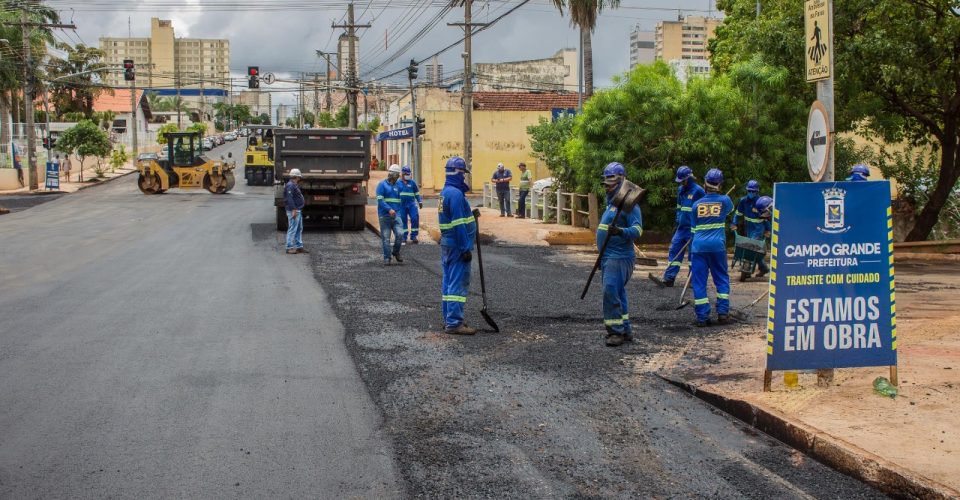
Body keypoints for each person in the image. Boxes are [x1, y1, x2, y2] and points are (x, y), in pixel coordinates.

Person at [596, 162, 643, 347]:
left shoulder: (630, 206)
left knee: (610, 291)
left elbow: (638, 230)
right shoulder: (612, 205)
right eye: (606, 182)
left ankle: (615, 332)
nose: (607, 186)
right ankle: (625, 330)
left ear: (622, 181)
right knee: (617, 292)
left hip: (620, 257)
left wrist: (621, 231)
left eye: (611, 182)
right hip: (608, 257)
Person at [690, 168, 734, 327]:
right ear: (720, 184)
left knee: (699, 282)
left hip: (699, 247)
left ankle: (702, 317)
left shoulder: (696, 205)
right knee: (721, 279)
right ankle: (723, 313)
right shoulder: (725, 201)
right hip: (717, 246)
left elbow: (693, 230)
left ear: (705, 184)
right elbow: (730, 211)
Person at [439, 156, 478, 335]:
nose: (464, 177)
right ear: (457, 172)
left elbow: (459, 217)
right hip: (457, 246)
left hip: (448, 245)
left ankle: (449, 318)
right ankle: (454, 323)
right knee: (456, 284)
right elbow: (458, 223)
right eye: (463, 173)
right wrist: (464, 248)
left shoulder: (446, 192)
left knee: (448, 283)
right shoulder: (454, 194)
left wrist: (471, 213)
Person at [649, 165, 704, 288]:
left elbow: (703, 211)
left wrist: (699, 228)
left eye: (683, 180)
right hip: (681, 228)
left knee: (693, 255)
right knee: (674, 249)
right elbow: (679, 207)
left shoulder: (698, 191)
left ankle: (692, 280)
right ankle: (669, 278)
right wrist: (678, 220)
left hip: (693, 229)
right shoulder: (680, 190)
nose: (682, 183)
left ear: (689, 178)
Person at [731, 180, 770, 278]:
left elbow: (767, 218)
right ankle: (763, 268)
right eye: (749, 191)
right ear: (747, 191)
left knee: (751, 248)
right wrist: (734, 223)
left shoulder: (761, 202)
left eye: (753, 191)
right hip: (748, 228)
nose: (751, 193)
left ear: (757, 192)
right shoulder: (743, 201)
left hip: (758, 229)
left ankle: (747, 270)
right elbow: (737, 214)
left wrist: (768, 230)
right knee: (753, 250)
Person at [376, 164, 405, 265]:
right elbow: (380, 200)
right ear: (392, 174)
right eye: (396, 174)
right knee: (386, 238)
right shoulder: (381, 185)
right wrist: (389, 209)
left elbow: (401, 199)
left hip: (397, 215)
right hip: (385, 216)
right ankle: (387, 258)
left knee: (400, 234)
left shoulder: (399, 185)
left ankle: (396, 252)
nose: (397, 177)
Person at [283, 168, 307, 254]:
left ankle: (299, 246)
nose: (299, 179)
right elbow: (289, 198)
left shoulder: (293, 185)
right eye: (298, 177)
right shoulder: (290, 185)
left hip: (297, 210)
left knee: (299, 228)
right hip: (294, 210)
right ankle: (289, 247)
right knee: (292, 228)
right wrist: (293, 209)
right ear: (296, 177)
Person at [398, 165, 422, 244]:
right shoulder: (398, 183)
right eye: (406, 174)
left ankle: (414, 236)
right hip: (402, 205)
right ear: (402, 174)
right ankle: (404, 237)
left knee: (415, 218)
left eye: (409, 174)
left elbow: (416, 193)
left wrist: (419, 201)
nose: (408, 176)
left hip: (411, 204)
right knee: (403, 220)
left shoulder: (412, 183)